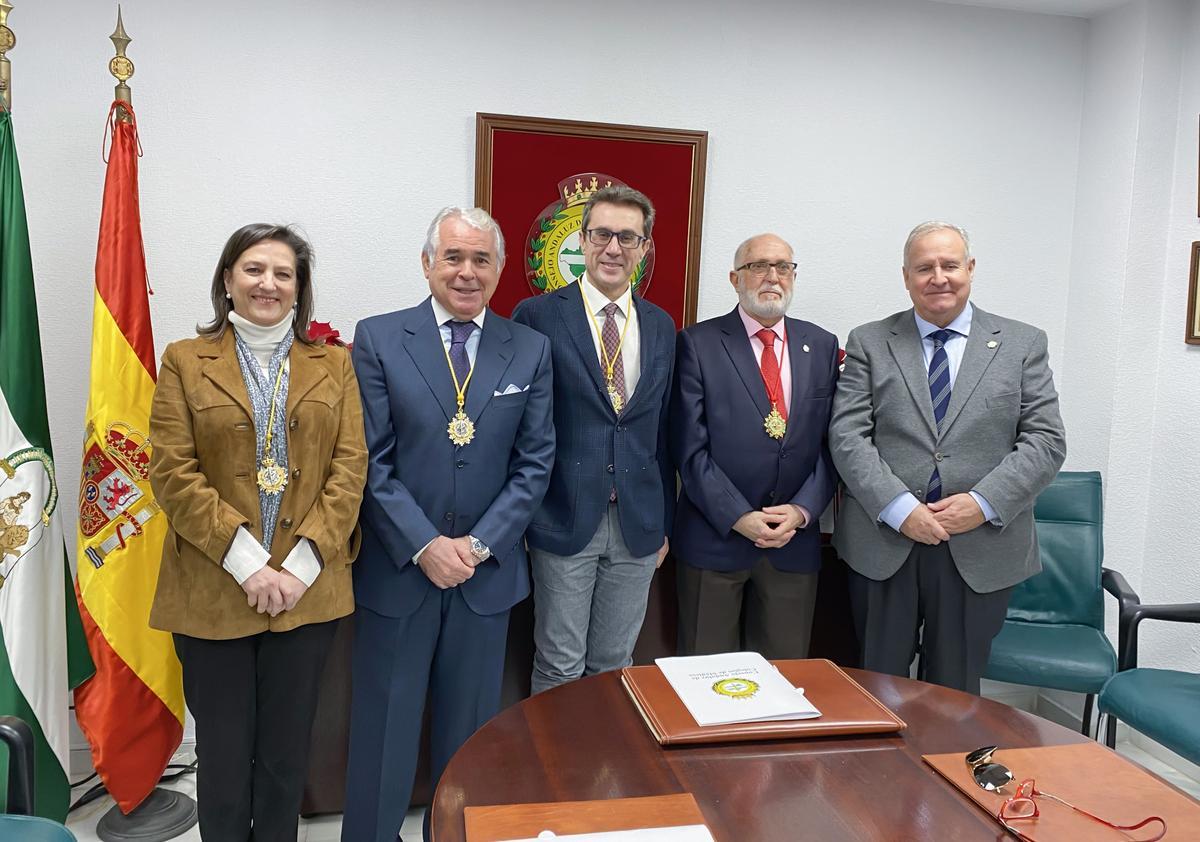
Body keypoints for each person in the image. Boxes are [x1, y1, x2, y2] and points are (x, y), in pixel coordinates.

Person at [148, 223, 366, 841]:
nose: (268, 283)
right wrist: (248, 564)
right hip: (215, 591)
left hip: (308, 592)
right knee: (221, 756)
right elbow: (172, 471)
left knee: (285, 756)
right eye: (253, 269)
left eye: (283, 273)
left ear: (300, 290)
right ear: (227, 280)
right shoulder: (185, 362)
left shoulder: (335, 365)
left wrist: (295, 570)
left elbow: (350, 471)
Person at [344, 206, 554, 841]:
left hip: (485, 578)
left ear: (500, 270)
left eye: (481, 259)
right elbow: (369, 463)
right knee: (384, 731)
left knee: (469, 737)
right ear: (428, 262)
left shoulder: (530, 348)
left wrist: (478, 545)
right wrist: (426, 544)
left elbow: (535, 462)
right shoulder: (380, 338)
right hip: (400, 572)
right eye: (454, 257)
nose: (467, 272)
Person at [829, 220, 1066, 695]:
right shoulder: (869, 341)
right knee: (878, 686)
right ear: (906, 277)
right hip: (884, 541)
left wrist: (981, 503)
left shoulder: (1022, 343)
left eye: (950, 264)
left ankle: (948, 769)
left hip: (979, 545)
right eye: (924, 267)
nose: (938, 277)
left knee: (955, 694)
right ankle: (882, 772)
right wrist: (900, 509)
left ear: (971, 269)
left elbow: (1045, 440)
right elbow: (847, 435)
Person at [512, 184, 675, 694]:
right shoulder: (536, 316)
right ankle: (555, 774)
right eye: (603, 234)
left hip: (637, 525)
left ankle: (605, 775)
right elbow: (519, 429)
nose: (614, 248)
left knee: (615, 664)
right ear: (582, 241)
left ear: (644, 249)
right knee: (560, 664)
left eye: (629, 238)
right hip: (562, 517)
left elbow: (662, 432)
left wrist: (662, 521)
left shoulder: (662, 325)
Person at [671, 233, 837, 658]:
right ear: (734, 278)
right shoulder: (697, 343)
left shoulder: (821, 345)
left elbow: (832, 444)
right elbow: (689, 449)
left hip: (793, 544)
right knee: (706, 681)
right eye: (759, 266)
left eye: (784, 267)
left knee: (784, 679)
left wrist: (802, 511)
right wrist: (738, 515)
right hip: (714, 540)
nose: (772, 277)